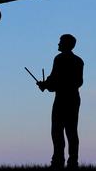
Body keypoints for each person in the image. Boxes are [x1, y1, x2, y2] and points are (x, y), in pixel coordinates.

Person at [37, 34, 84, 168]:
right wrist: (48, 84)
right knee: (72, 130)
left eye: (60, 42)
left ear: (66, 44)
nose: (58, 44)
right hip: (74, 98)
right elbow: (79, 82)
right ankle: (72, 162)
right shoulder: (79, 60)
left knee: (57, 131)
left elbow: (55, 79)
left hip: (62, 98)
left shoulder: (59, 59)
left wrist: (45, 85)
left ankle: (57, 161)